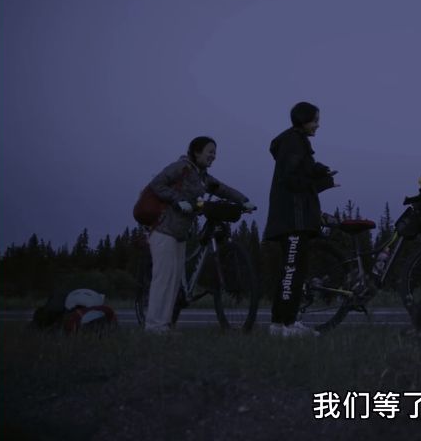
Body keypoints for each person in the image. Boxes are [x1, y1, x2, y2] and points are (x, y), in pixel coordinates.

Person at [144, 136, 255, 333]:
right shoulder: (181, 167)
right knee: (164, 280)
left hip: (179, 234)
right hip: (163, 229)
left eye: (215, 153)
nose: (214, 156)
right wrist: (177, 199)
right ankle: (153, 327)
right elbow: (157, 184)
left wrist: (244, 200)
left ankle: (164, 326)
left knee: (174, 282)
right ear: (196, 152)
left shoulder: (202, 177)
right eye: (210, 152)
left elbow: (223, 189)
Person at [264, 101, 337, 337]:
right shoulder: (294, 142)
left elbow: (298, 174)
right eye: (315, 120)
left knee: (292, 270)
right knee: (292, 271)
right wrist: (319, 180)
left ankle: (280, 324)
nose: (318, 125)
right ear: (304, 120)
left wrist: (319, 172)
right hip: (293, 220)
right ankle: (286, 324)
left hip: (295, 218)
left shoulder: (296, 142)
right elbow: (291, 179)